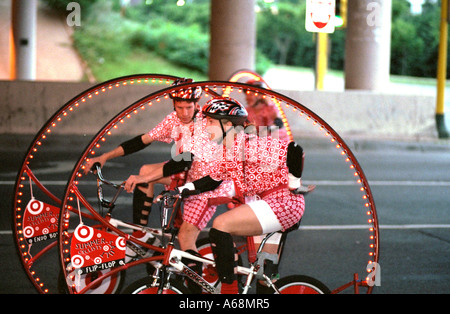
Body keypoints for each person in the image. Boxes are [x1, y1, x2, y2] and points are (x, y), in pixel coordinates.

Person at [124, 97, 313, 294]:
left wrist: (294, 184)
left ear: (229, 125)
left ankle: (229, 291)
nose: (206, 127)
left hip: (282, 203)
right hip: (266, 204)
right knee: (263, 276)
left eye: (212, 122)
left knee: (221, 225)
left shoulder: (249, 144)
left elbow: (295, 151)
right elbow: (211, 180)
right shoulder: (226, 151)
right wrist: (179, 191)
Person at [83, 78, 203, 249]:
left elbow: (185, 161)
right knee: (145, 170)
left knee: (146, 176)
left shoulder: (205, 122)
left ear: (197, 105)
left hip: (200, 174)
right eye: (179, 107)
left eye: (189, 108)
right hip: (182, 168)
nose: (184, 113)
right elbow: (142, 140)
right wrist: (105, 157)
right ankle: (141, 233)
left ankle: (143, 237)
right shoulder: (173, 120)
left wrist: (144, 178)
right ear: (173, 105)